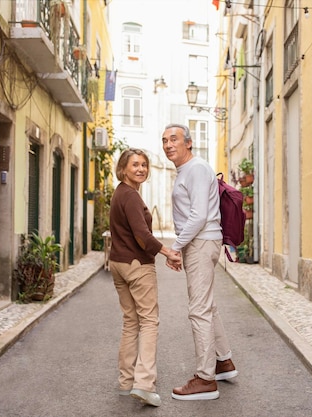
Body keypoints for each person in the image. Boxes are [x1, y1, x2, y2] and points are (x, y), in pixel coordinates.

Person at [161, 123, 238, 401]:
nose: (168, 145)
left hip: (201, 242)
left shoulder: (194, 168)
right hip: (203, 242)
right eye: (164, 141)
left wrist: (176, 248)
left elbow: (199, 215)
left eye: (174, 139)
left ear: (189, 143)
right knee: (207, 306)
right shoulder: (189, 169)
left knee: (199, 311)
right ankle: (223, 362)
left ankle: (205, 379)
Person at [108, 148, 181, 407]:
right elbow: (141, 235)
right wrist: (166, 252)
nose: (141, 169)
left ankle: (126, 382)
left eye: (144, 165)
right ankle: (144, 384)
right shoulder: (130, 197)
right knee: (149, 322)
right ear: (123, 168)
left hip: (118, 263)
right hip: (137, 265)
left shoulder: (121, 193)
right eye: (135, 165)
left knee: (131, 322)